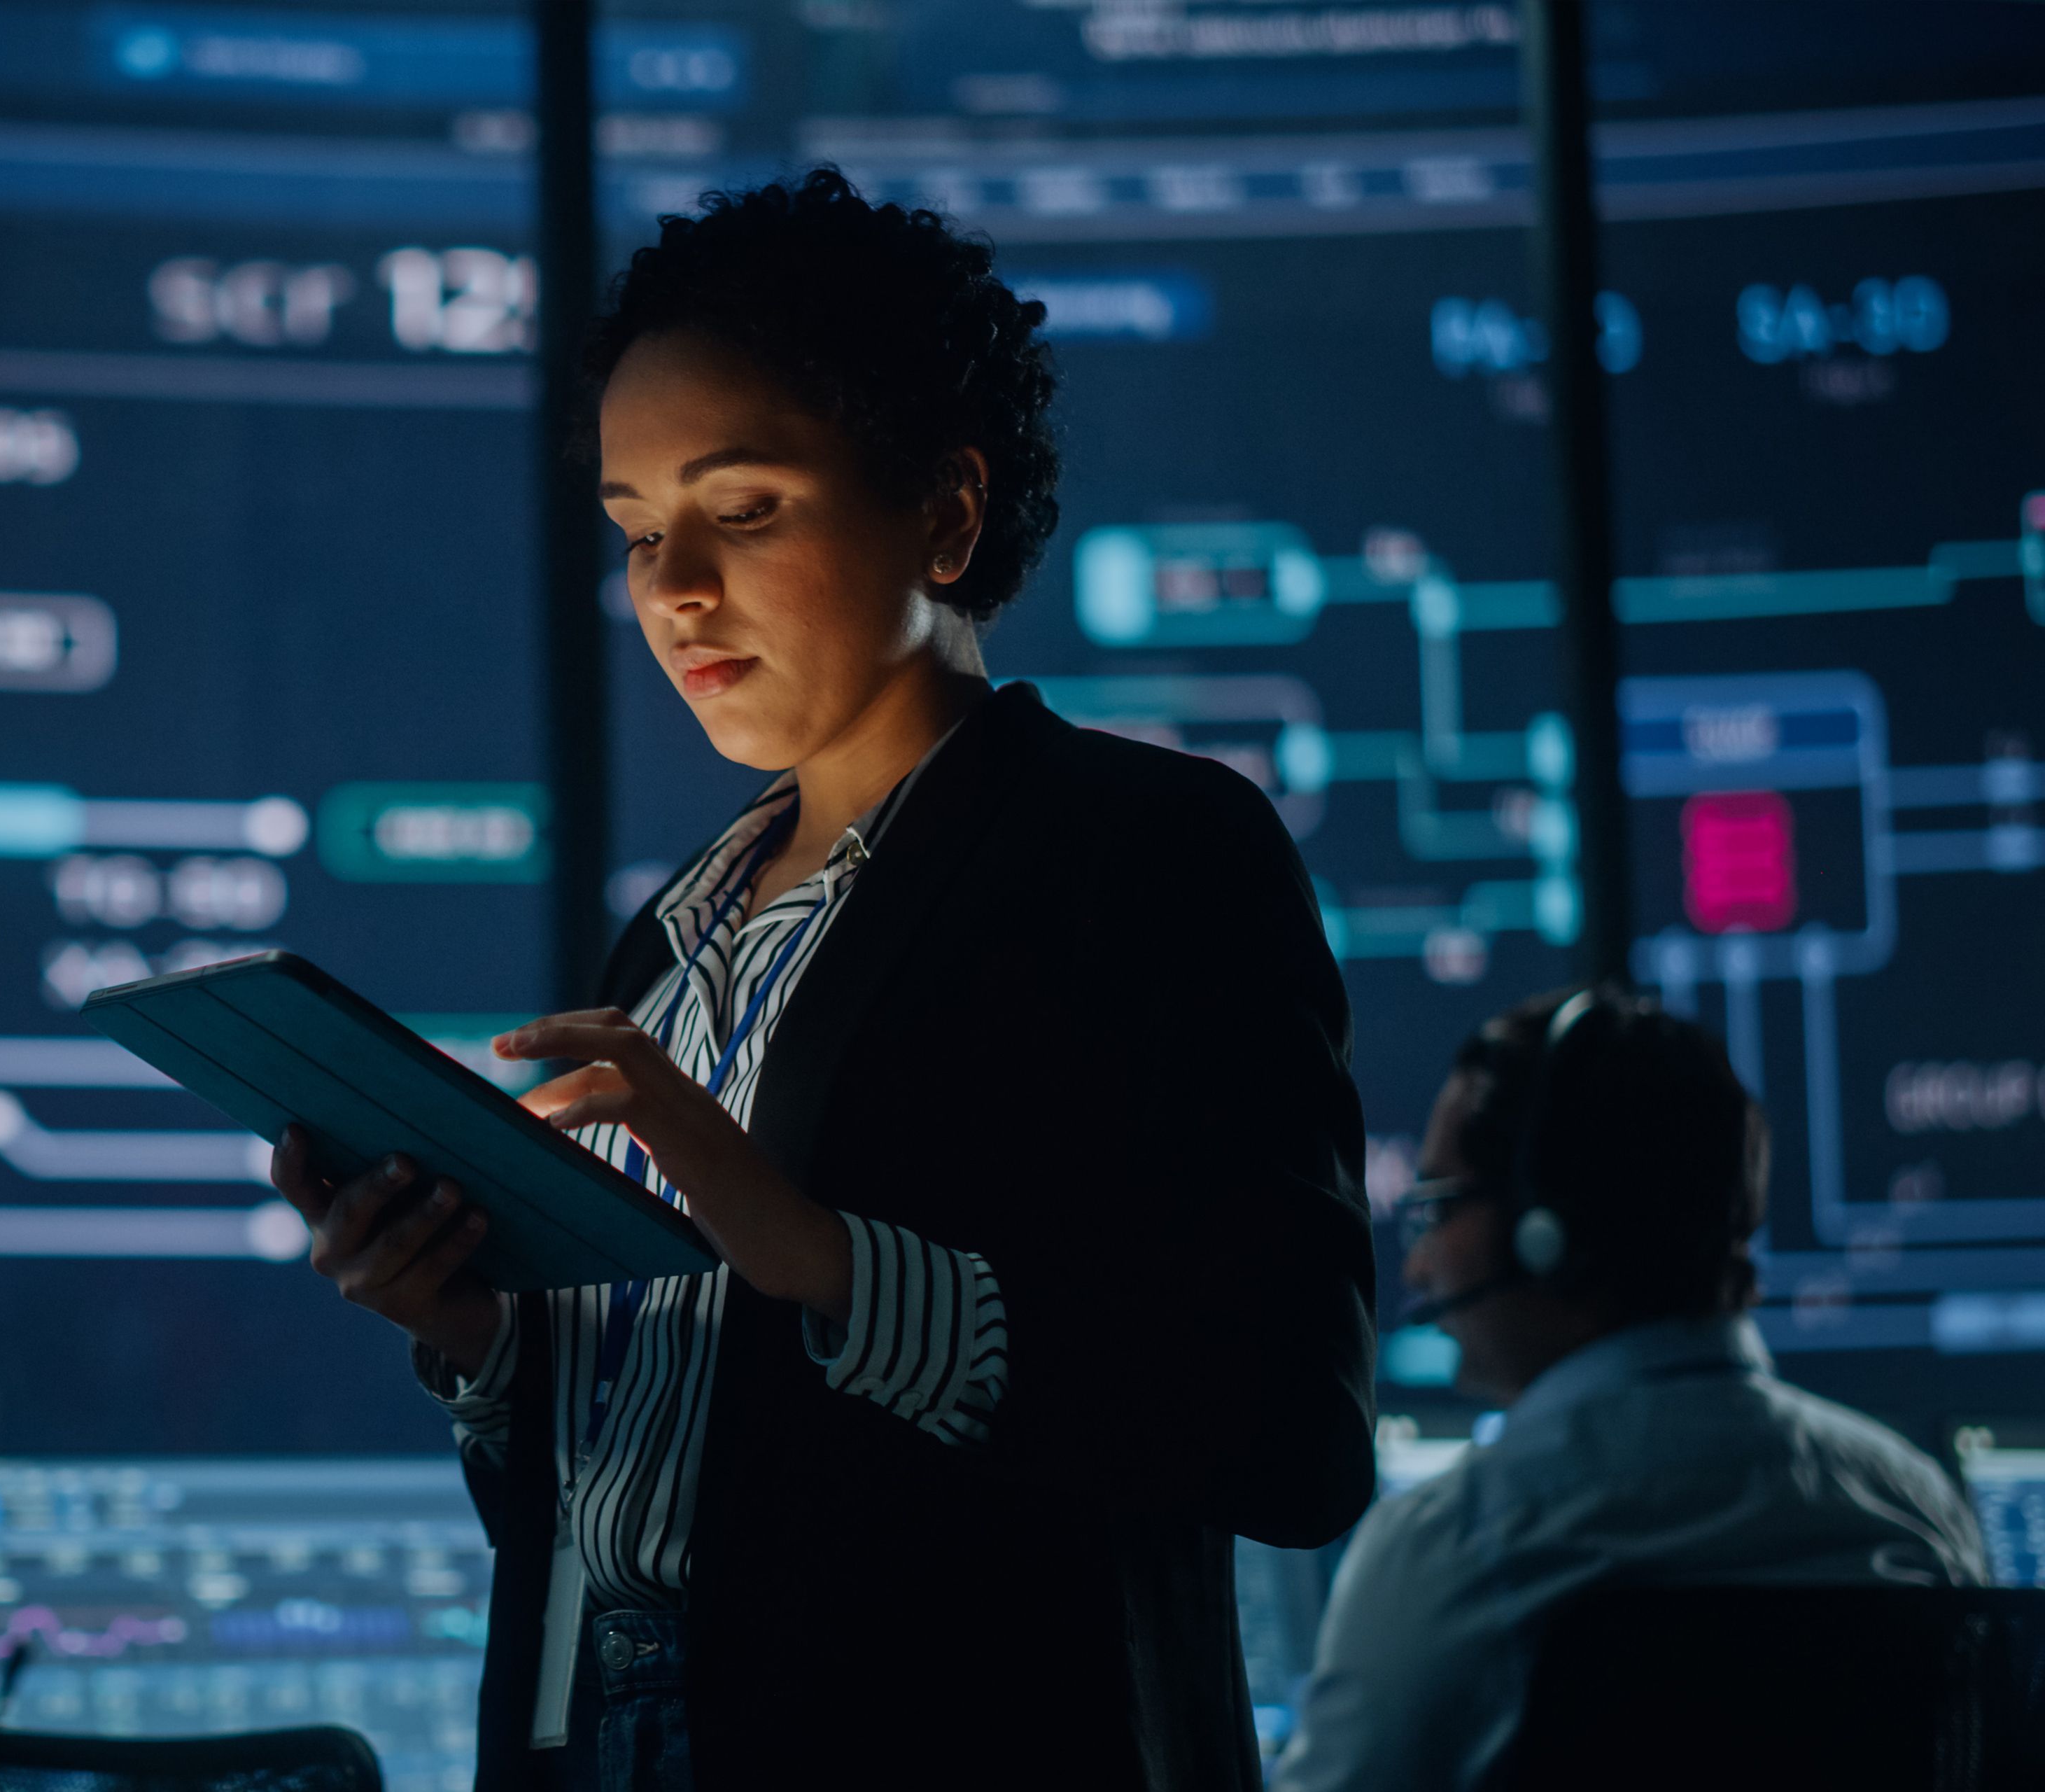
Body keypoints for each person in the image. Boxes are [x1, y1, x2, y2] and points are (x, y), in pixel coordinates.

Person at [271, 169, 1377, 1790]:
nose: (673, 588)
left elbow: (1286, 1425)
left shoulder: (1148, 851)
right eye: (640, 529)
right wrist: (487, 1340)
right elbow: (641, 1496)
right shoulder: (668, 941)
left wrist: (818, 1254)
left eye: (746, 507)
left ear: (943, 507)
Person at [1274, 986, 1987, 1792]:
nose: (1417, 1264)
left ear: (1549, 1234)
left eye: (1440, 1205)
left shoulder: (1456, 1549)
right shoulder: (1915, 1510)